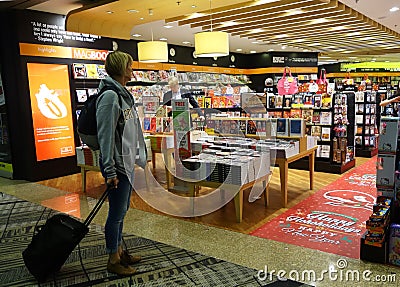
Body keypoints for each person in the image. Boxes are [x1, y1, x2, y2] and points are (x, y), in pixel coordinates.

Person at [96, 51, 147, 276]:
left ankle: (119, 250)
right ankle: (112, 259)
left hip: (125, 162)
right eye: (129, 65)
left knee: (122, 210)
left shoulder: (123, 94)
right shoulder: (110, 96)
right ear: (120, 67)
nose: (132, 69)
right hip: (116, 165)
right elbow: (105, 136)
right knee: (116, 213)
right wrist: (109, 170)